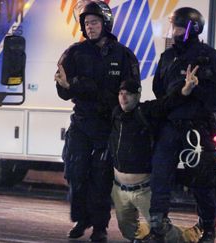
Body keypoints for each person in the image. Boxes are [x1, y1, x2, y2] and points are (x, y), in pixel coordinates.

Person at [54, 1, 140, 242]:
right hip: (81, 123)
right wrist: (64, 85)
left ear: (105, 24)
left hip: (107, 126)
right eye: (86, 23)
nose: (89, 27)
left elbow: (130, 92)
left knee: (101, 179)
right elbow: (64, 90)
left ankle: (100, 227)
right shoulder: (74, 52)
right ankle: (82, 218)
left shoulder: (123, 55)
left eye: (94, 22)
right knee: (75, 171)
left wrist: (81, 86)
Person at [148, 7, 216, 243]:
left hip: (197, 128)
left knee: (202, 180)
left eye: (180, 27)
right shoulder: (168, 57)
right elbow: (158, 89)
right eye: (174, 26)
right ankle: (157, 226)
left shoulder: (208, 56)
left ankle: (208, 227)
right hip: (170, 125)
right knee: (160, 177)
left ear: (192, 28)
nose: (175, 31)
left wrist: (195, 88)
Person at [109, 81, 203, 243]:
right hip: (119, 190)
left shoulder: (145, 111)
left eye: (128, 94)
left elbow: (166, 103)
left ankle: (190, 236)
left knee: (163, 233)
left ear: (137, 96)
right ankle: (148, 236)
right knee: (129, 232)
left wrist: (184, 91)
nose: (123, 97)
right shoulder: (115, 113)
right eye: (121, 93)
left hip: (143, 190)